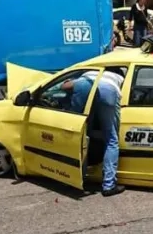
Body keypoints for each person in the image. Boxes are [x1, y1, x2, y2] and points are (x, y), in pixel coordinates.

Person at [52, 69, 126, 197]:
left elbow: (66, 86)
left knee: (78, 135)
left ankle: (72, 179)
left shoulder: (90, 72)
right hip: (109, 91)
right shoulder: (118, 78)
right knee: (111, 139)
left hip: (84, 85)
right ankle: (109, 186)